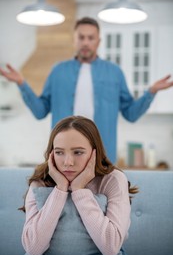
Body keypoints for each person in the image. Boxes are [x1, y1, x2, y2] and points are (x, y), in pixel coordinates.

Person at [0, 17, 173, 163]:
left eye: (91, 38)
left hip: (102, 158)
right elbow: (40, 111)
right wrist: (22, 84)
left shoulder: (114, 72)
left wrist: (151, 92)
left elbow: (131, 114)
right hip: (63, 159)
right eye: (81, 37)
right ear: (74, 40)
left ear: (98, 40)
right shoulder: (58, 71)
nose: (85, 42)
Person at [21, 116, 138, 255]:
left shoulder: (113, 180)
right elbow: (32, 249)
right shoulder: (40, 181)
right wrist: (60, 189)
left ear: (95, 152)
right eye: (59, 152)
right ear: (51, 154)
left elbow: (111, 247)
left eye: (78, 152)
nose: (68, 162)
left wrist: (79, 190)